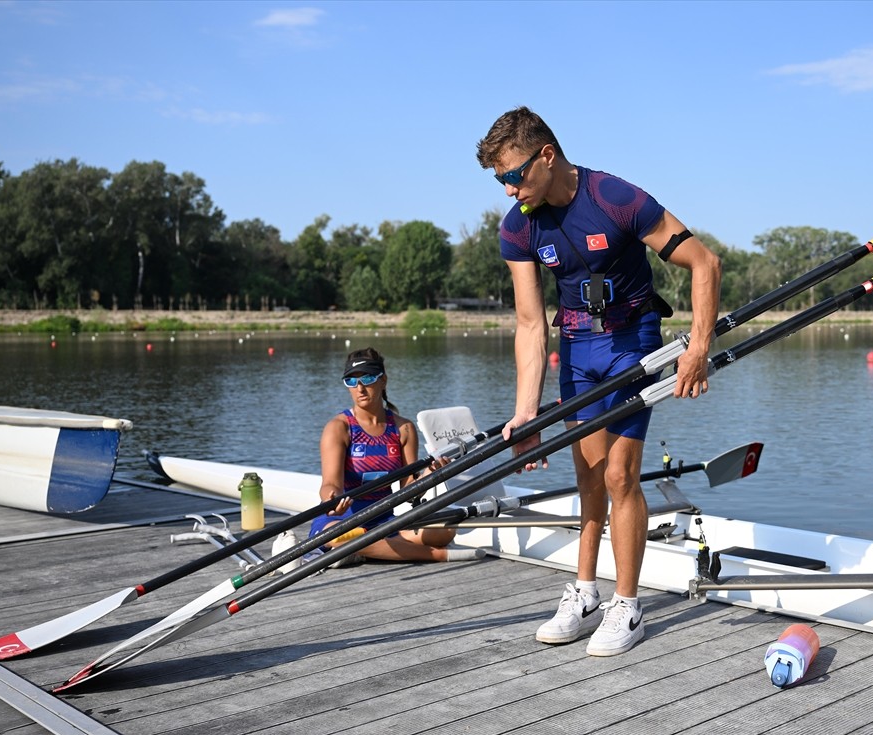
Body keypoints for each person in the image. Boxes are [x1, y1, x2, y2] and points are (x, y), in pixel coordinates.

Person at [476, 107, 721, 656]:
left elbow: (705, 263)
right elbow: (529, 323)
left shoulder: (616, 198)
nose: (509, 190)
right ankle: (585, 594)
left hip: (633, 344)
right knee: (588, 474)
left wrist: (698, 349)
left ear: (546, 156)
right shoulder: (519, 226)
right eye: (499, 181)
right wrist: (526, 413)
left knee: (619, 474)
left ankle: (628, 607)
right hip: (579, 351)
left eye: (513, 175)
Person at [306, 347, 484, 565]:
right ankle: (436, 555)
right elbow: (330, 484)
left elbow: (408, 491)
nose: (359, 388)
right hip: (342, 521)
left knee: (444, 531)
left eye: (367, 378)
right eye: (351, 381)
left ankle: (367, 549)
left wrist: (429, 473)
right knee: (338, 537)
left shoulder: (403, 429)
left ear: (383, 380)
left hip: (384, 520)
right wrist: (331, 500)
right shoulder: (338, 427)